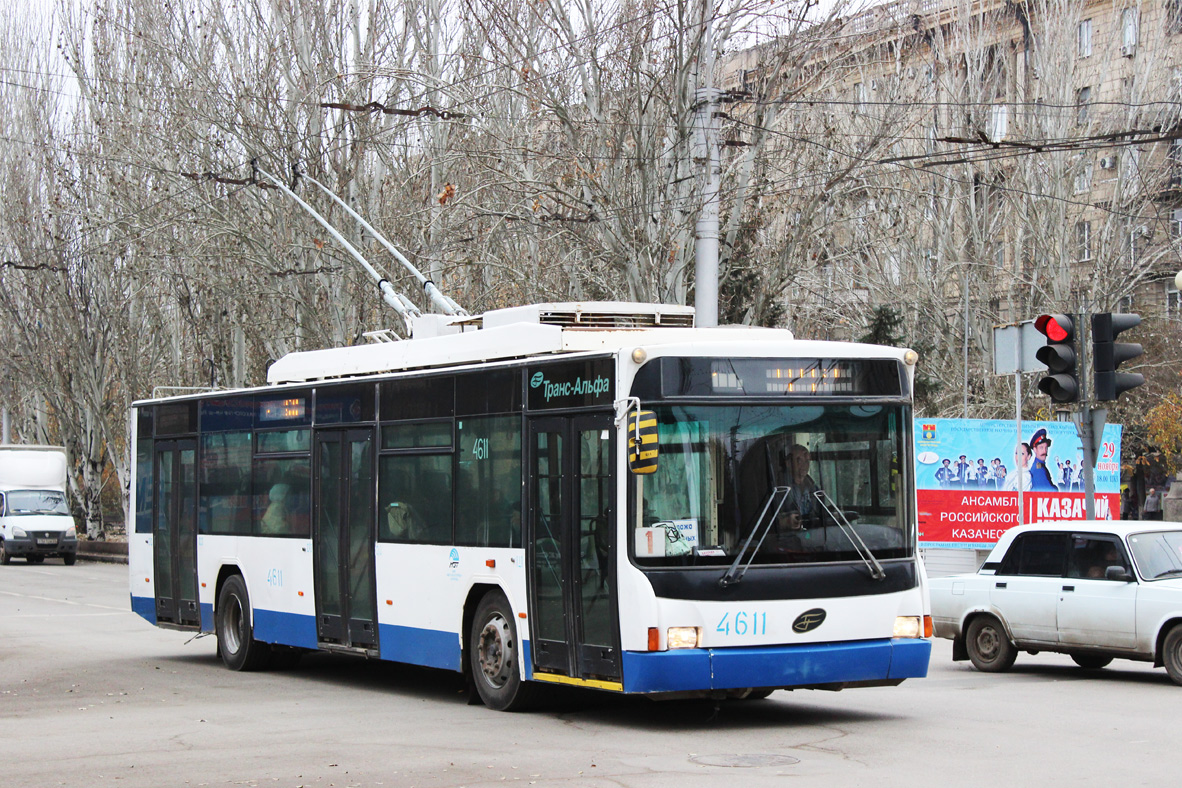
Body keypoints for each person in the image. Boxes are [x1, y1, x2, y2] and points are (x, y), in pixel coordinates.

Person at [783, 443, 821, 529]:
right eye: (799, 460)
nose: (804, 465)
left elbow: (819, 513)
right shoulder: (780, 488)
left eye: (807, 461)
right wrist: (785, 521)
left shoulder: (813, 488)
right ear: (788, 463)